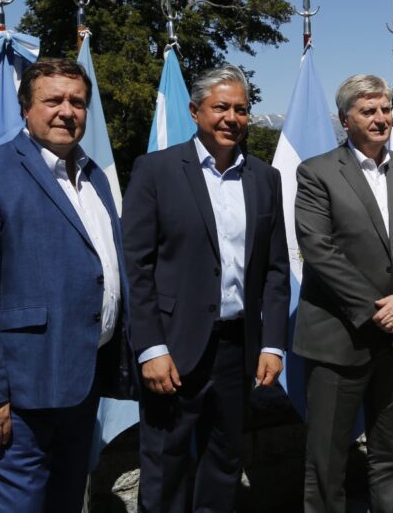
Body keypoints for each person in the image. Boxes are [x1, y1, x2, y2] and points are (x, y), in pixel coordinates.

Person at [0, 58, 135, 512]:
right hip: (18, 396)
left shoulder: (96, 180)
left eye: (78, 102)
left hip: (81, 386)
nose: (67, 110)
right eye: (53, 100)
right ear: (26, 109)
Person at [122, 64, 290, 513]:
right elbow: (136, 266)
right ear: (195, 111)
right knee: (165, 464)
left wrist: (273, 342)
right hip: (174, 349)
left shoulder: (264, 178)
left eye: (241, 109)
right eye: (221, 107)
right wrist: (150, 347)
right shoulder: (156, 170)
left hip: (238, 349)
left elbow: (276, 269)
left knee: (225, 462)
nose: (231, 117)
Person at [293, 74, 393, 513]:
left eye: (385, 109)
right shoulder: (317, 172)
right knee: (327, 460)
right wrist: (379, 311)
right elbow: (319, 250)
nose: (381, 119)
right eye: (368, 111)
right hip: (340, 339)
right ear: (344, 120)